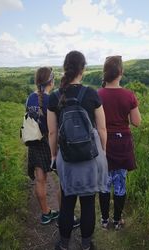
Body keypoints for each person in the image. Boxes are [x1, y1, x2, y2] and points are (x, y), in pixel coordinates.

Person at [47, 50, 108, 250]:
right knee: (89, 204)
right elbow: (101, 128)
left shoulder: (55, 97)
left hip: (67, 157)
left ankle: (63, 245)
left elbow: (52, 133)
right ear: (83, 69)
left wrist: (54, 155)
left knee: (67, 202)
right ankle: (86, 245)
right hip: (91, 157)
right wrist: (103, 153)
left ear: (66, 68)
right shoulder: (91, 94)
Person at [98, 55, 141, 230]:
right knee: (120, 182)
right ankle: (116, 221)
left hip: (103, 141)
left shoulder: (97, 94)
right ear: (121, 72)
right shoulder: (129, 95)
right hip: (122, 143)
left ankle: (103, 220)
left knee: (104, 183)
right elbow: (137, 122)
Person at [26, 67, 59, 225]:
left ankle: (45, 213)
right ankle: (65, 213)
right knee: (63, 180)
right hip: (49, 141)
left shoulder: (29, 98)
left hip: (34, 142)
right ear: (51, 81)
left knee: (40, 180)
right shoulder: (52, 98)